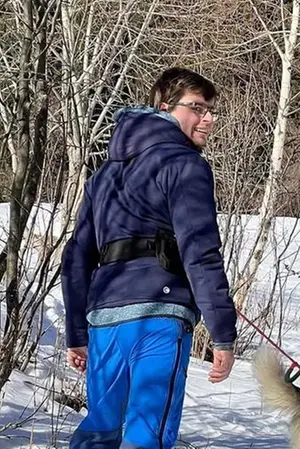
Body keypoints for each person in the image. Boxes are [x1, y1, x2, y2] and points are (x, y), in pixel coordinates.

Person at [62, 67, 237, 449]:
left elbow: (77, 255)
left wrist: (77, 330)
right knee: (148, 433)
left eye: (211, 110)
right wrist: (223, 332)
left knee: (100, 430)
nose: (208, 119)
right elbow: (200, 252)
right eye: (198, 108)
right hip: (159, 315)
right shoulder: (185, 165)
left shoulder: (104, 174)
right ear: (165, 107)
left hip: (105, 318)